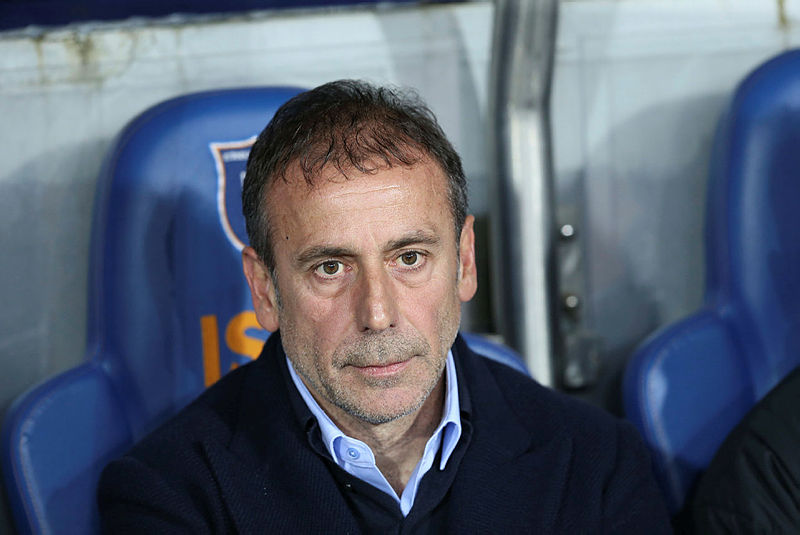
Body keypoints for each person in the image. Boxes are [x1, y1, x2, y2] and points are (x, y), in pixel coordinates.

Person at [97, 80, 670, 533]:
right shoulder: (169, 497)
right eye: (330, 268)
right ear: (265, 289)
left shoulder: (595, 463)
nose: (377, 313)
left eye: (410, 258)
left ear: (465, 262)